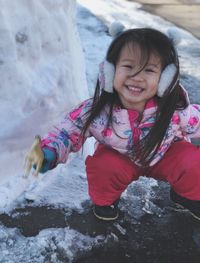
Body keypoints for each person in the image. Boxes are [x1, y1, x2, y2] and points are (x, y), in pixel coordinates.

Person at [25, 26, 200, 222]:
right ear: (109, 70)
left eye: (149, 70)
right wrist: (49, 152)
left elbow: (197, 121)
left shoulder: (175, 109)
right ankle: (106, 200)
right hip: (121, 158)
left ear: (165, 80)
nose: (137, 76)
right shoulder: (97, 110)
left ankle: (185, 195)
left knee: (194, 162)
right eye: (128, 66)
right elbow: (67, 132)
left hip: (165, 154)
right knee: (103, 166)